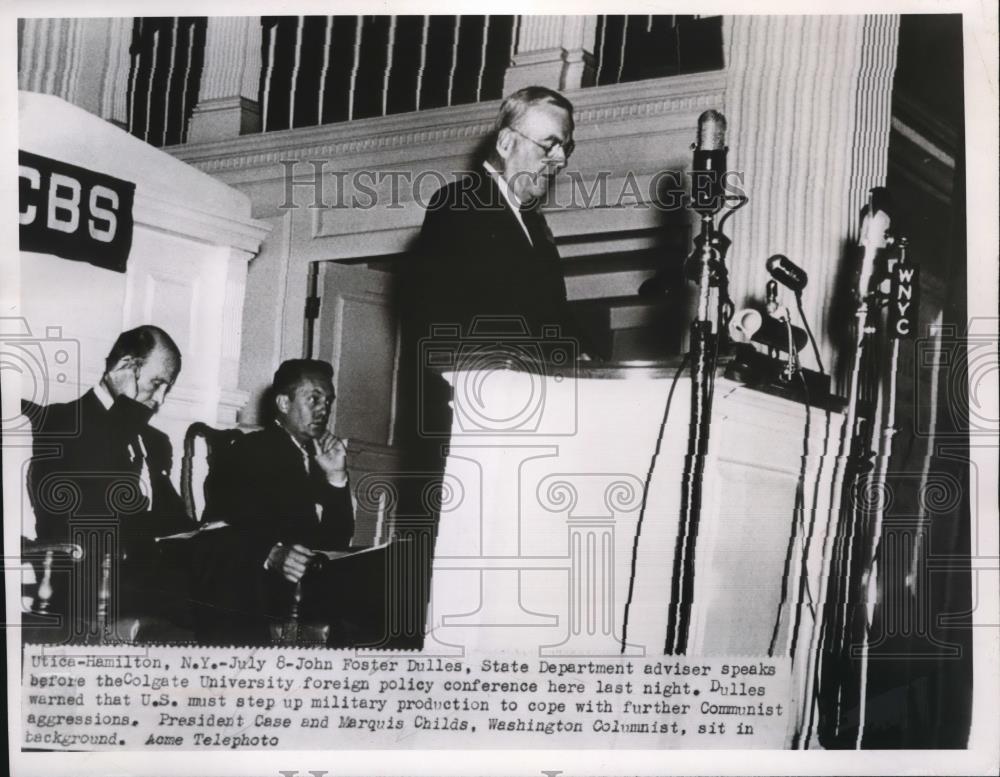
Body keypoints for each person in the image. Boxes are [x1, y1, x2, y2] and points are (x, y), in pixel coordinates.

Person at [26, 325, 196, 641]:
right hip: (88, 573)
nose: (159, 399)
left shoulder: (155, 442)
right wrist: (124, 415)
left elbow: (172, 519)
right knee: (219, 594)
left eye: (166, 389)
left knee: (231, 568)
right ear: (124, 368)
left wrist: (205, 532)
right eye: (156, 383)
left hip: (144, 574)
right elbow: (94, 511)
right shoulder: (63, 422)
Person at [410, 85, 591, 350]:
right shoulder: (460, 205)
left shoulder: (532, 221)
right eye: (550, 145)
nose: (561, 160)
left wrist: (587, 357)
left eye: (566, 147)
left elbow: (553, 315)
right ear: (506, 143)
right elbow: (447, 319)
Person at [197, 359, 359, 644]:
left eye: (328, 401)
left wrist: (336, 477)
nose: (324, 409)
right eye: (314, 399)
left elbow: (337, 540)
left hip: (311, 581)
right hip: (262, 588)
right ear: (284, 403)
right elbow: (218, 530)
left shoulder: (320, 456)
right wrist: (271, 553)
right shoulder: (250, 452)